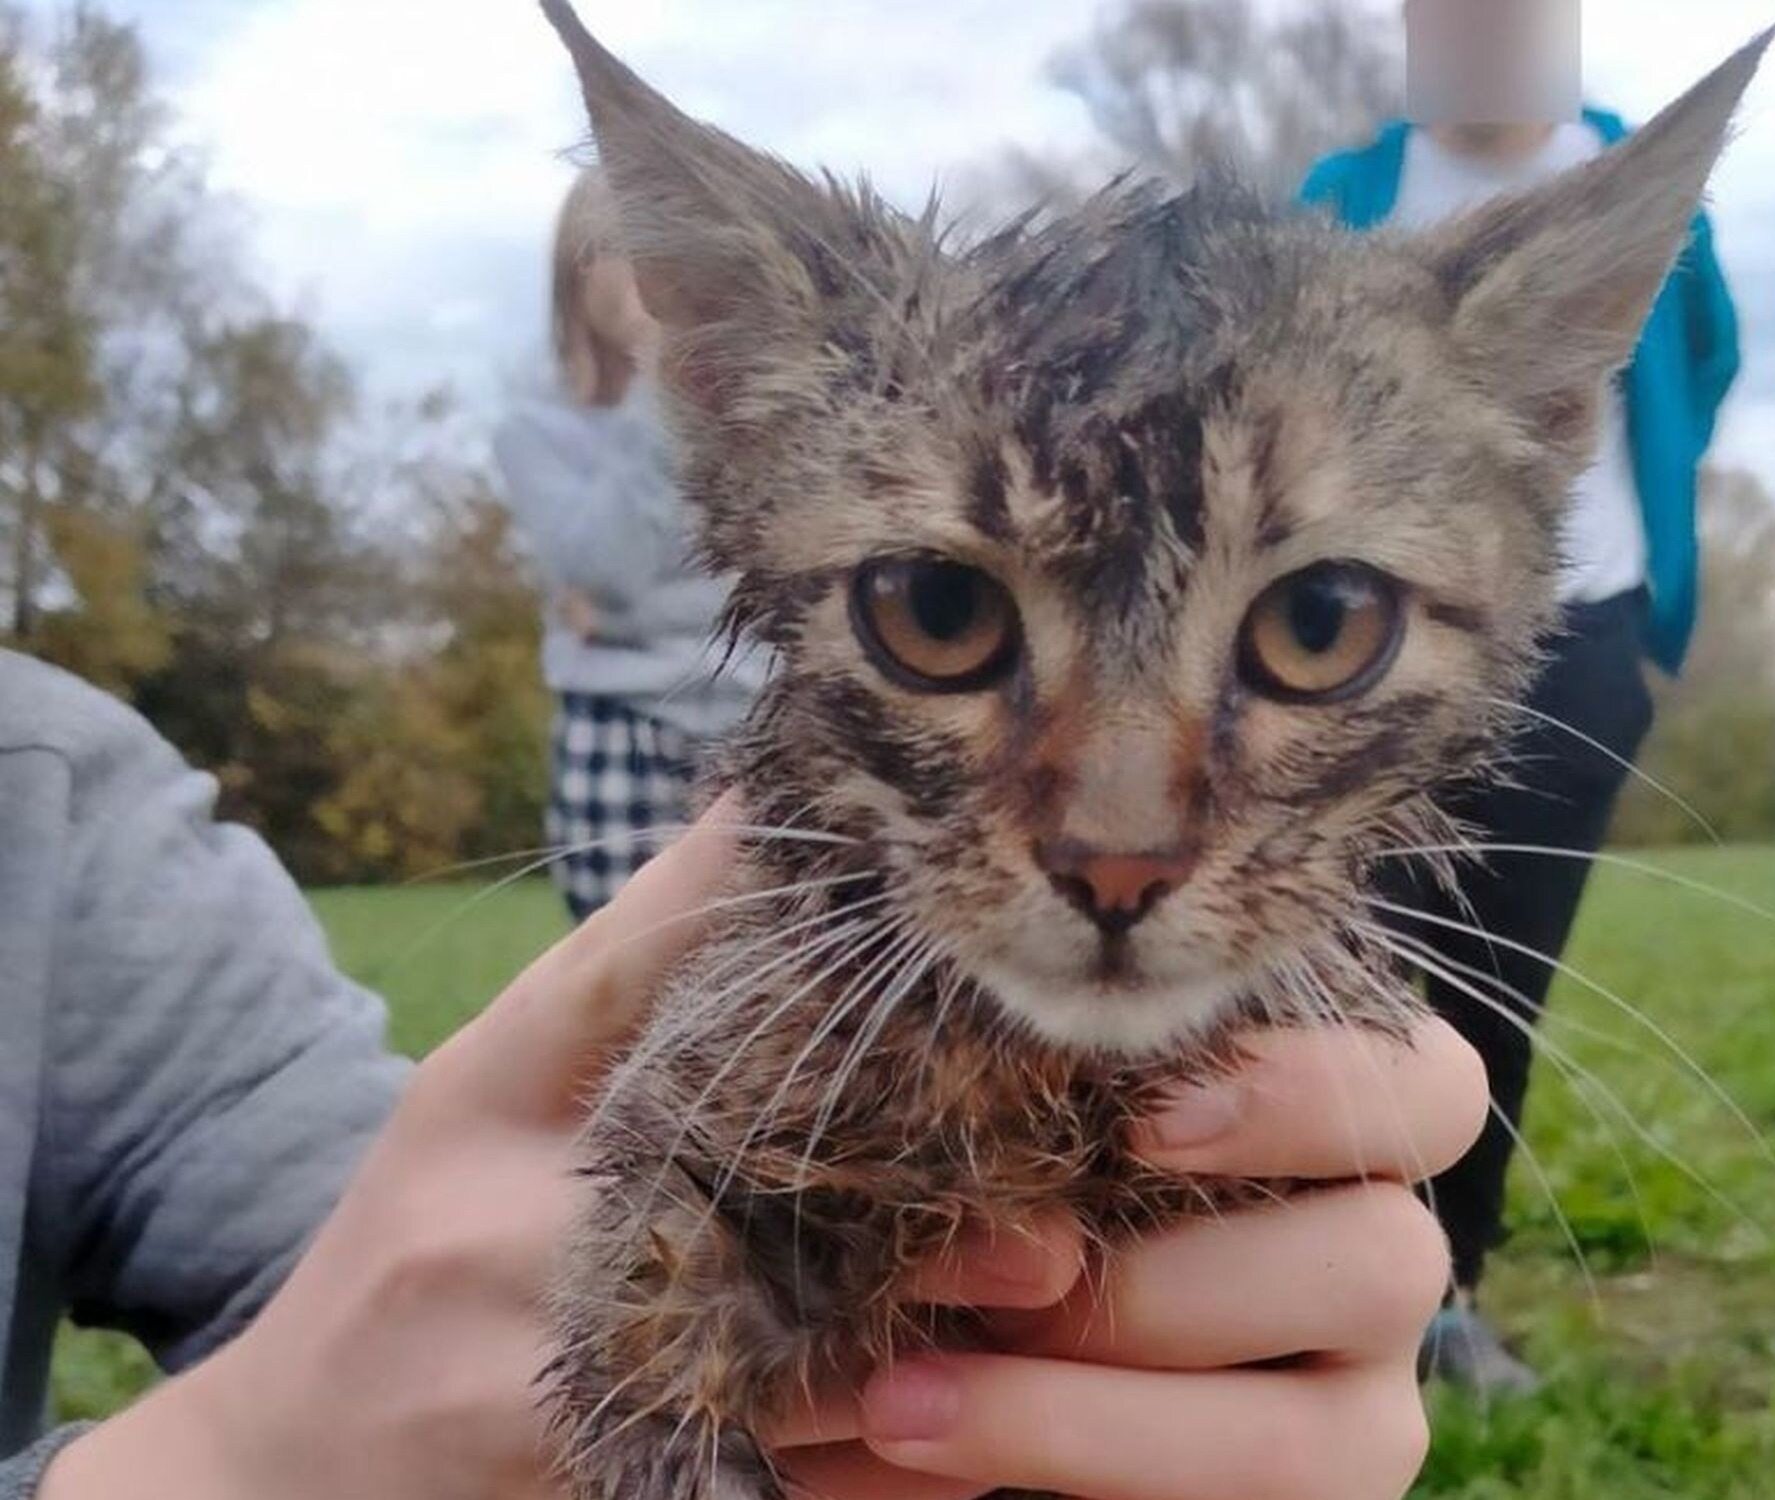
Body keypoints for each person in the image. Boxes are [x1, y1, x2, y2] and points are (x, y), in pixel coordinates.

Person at [1, 649, 1487, 1500]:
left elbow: (347, 1235)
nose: (1120, 829)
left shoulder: (59, 798)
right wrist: (228, 1464)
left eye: (1315, 624)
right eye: (946, 609)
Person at [1297, 0, 1741, 1393]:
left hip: (1585, 633)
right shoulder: (1346, 199)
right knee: (1337, 974)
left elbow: (1702, 365)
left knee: (1501, 984)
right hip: (1363, 660)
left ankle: (1449, 1295)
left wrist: (1645, 555)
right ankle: (1304, 1295)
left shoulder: (1640, 185)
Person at [494, 169, 758, 924]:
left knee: (762, 971)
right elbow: (603, 567)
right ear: (576, 276)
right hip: (616, 726)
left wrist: (626, 615)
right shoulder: (535, 431)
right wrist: (661, 377)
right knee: (615, 982)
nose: (651, 272)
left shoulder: (742, 421)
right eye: (623, 249)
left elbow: (762, 571)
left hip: (751, 716)